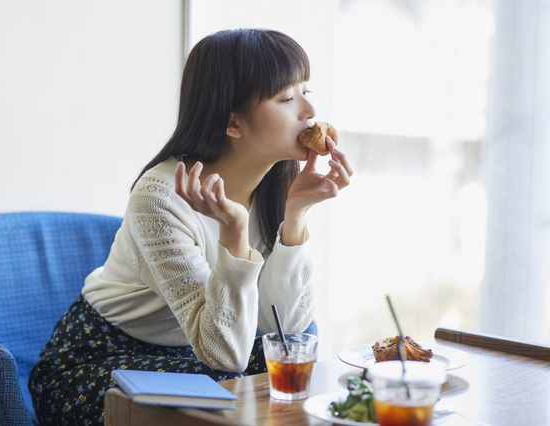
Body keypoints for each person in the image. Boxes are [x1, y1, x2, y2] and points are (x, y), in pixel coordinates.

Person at [29, 28, 353, 425]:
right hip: (102, 361)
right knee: (238, 382)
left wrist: (296, 215)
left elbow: (282, 327)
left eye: (306, 90)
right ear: (234, 124)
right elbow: (226, 354)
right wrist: (234, 235)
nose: (308, 111)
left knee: (288, 364)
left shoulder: (278, 184)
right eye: (286, 97)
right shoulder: (160, 198)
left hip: (202, 355)